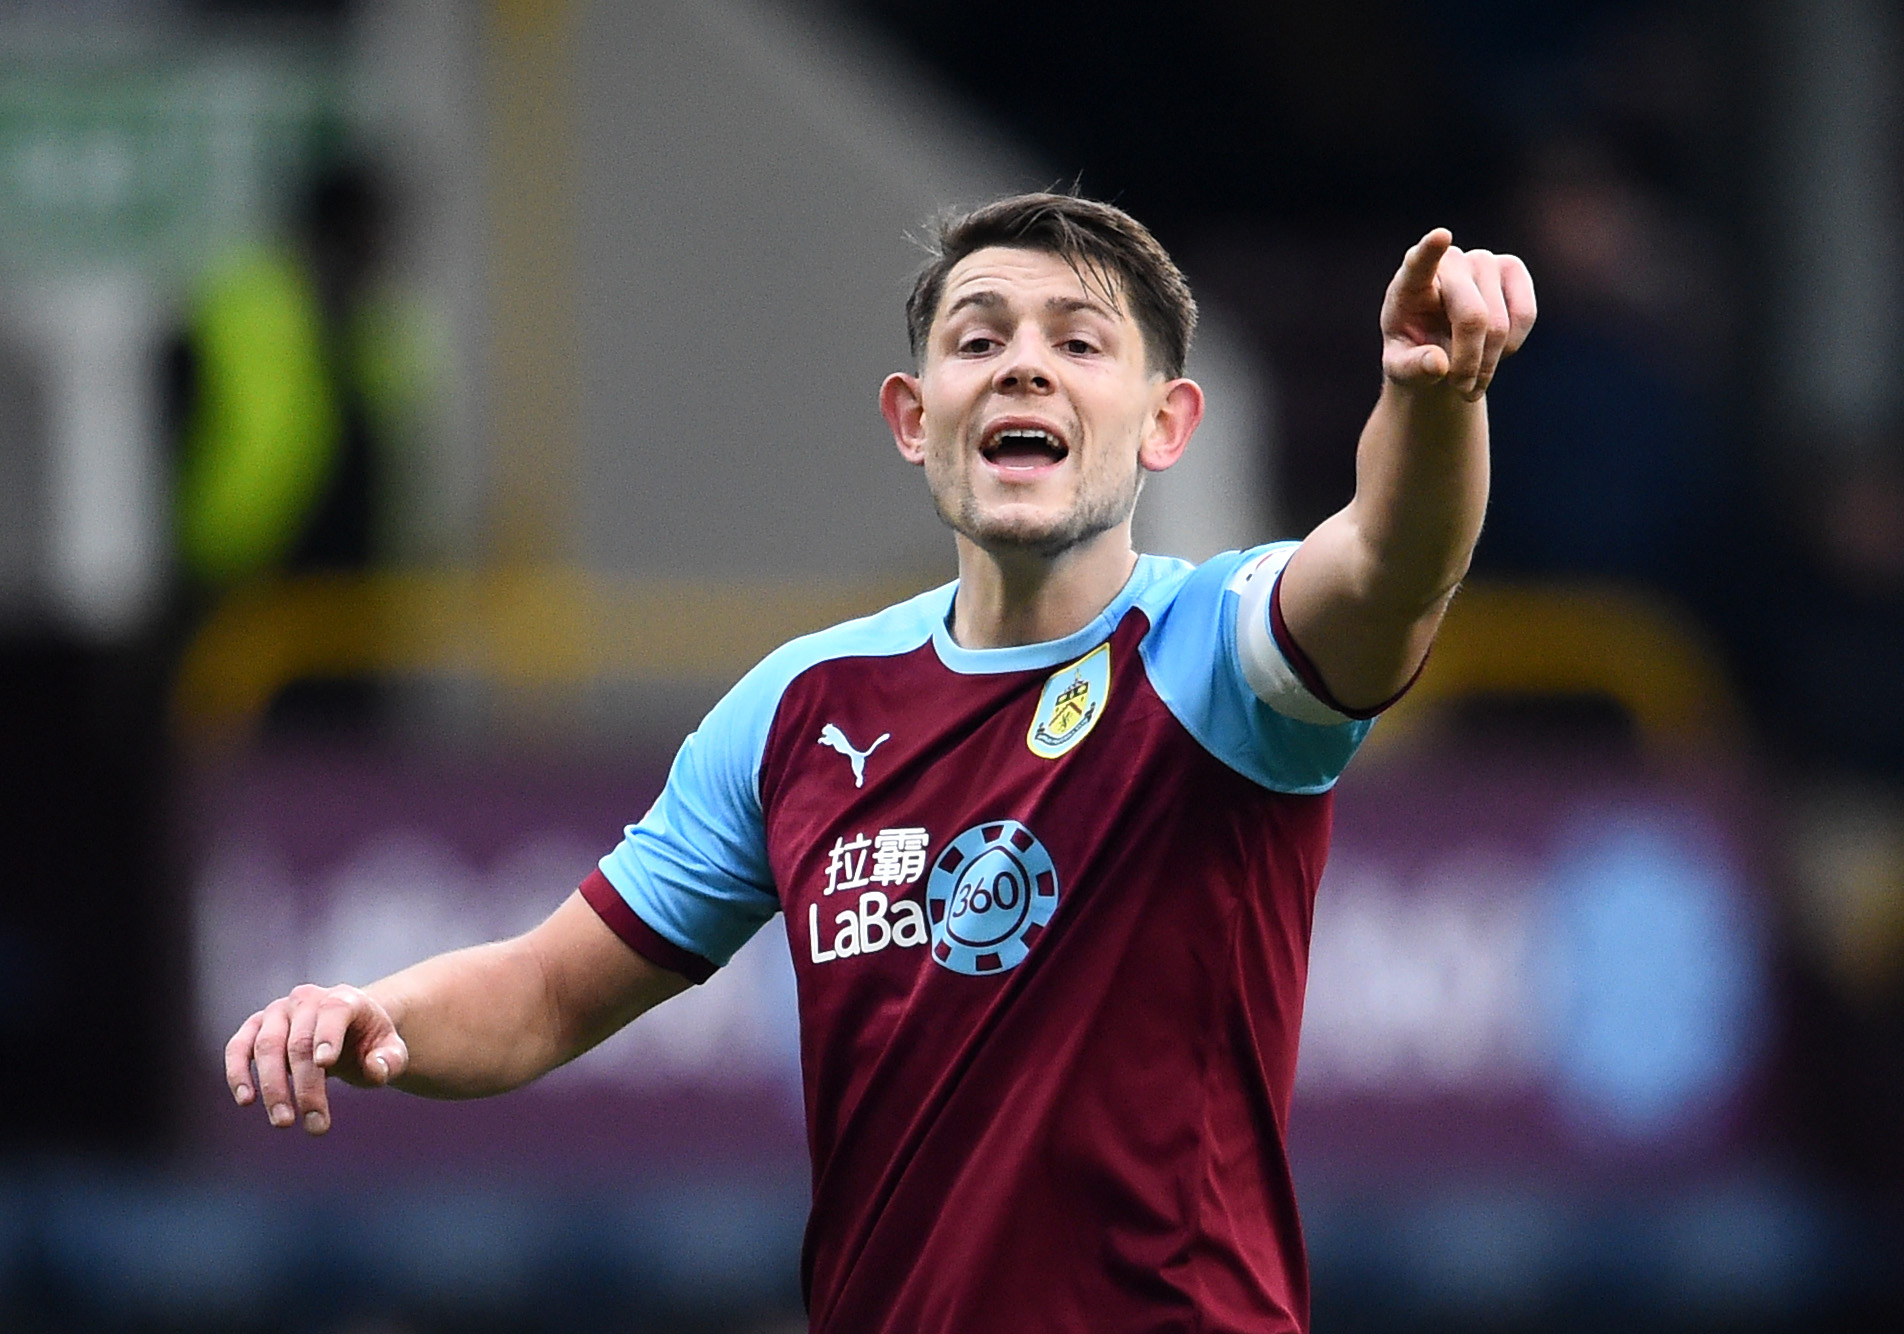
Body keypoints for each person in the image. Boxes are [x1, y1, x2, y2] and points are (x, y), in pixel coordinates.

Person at [225, 194, 1534, 1332]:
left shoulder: (1219, 650)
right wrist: (377, 1014)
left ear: (1166, 422)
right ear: (914, 417)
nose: (1024, 368)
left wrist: (1433, 401)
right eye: (979, 339)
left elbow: (1391, 562)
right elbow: (547, 990)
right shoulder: (801, 707)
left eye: (1079, 342)